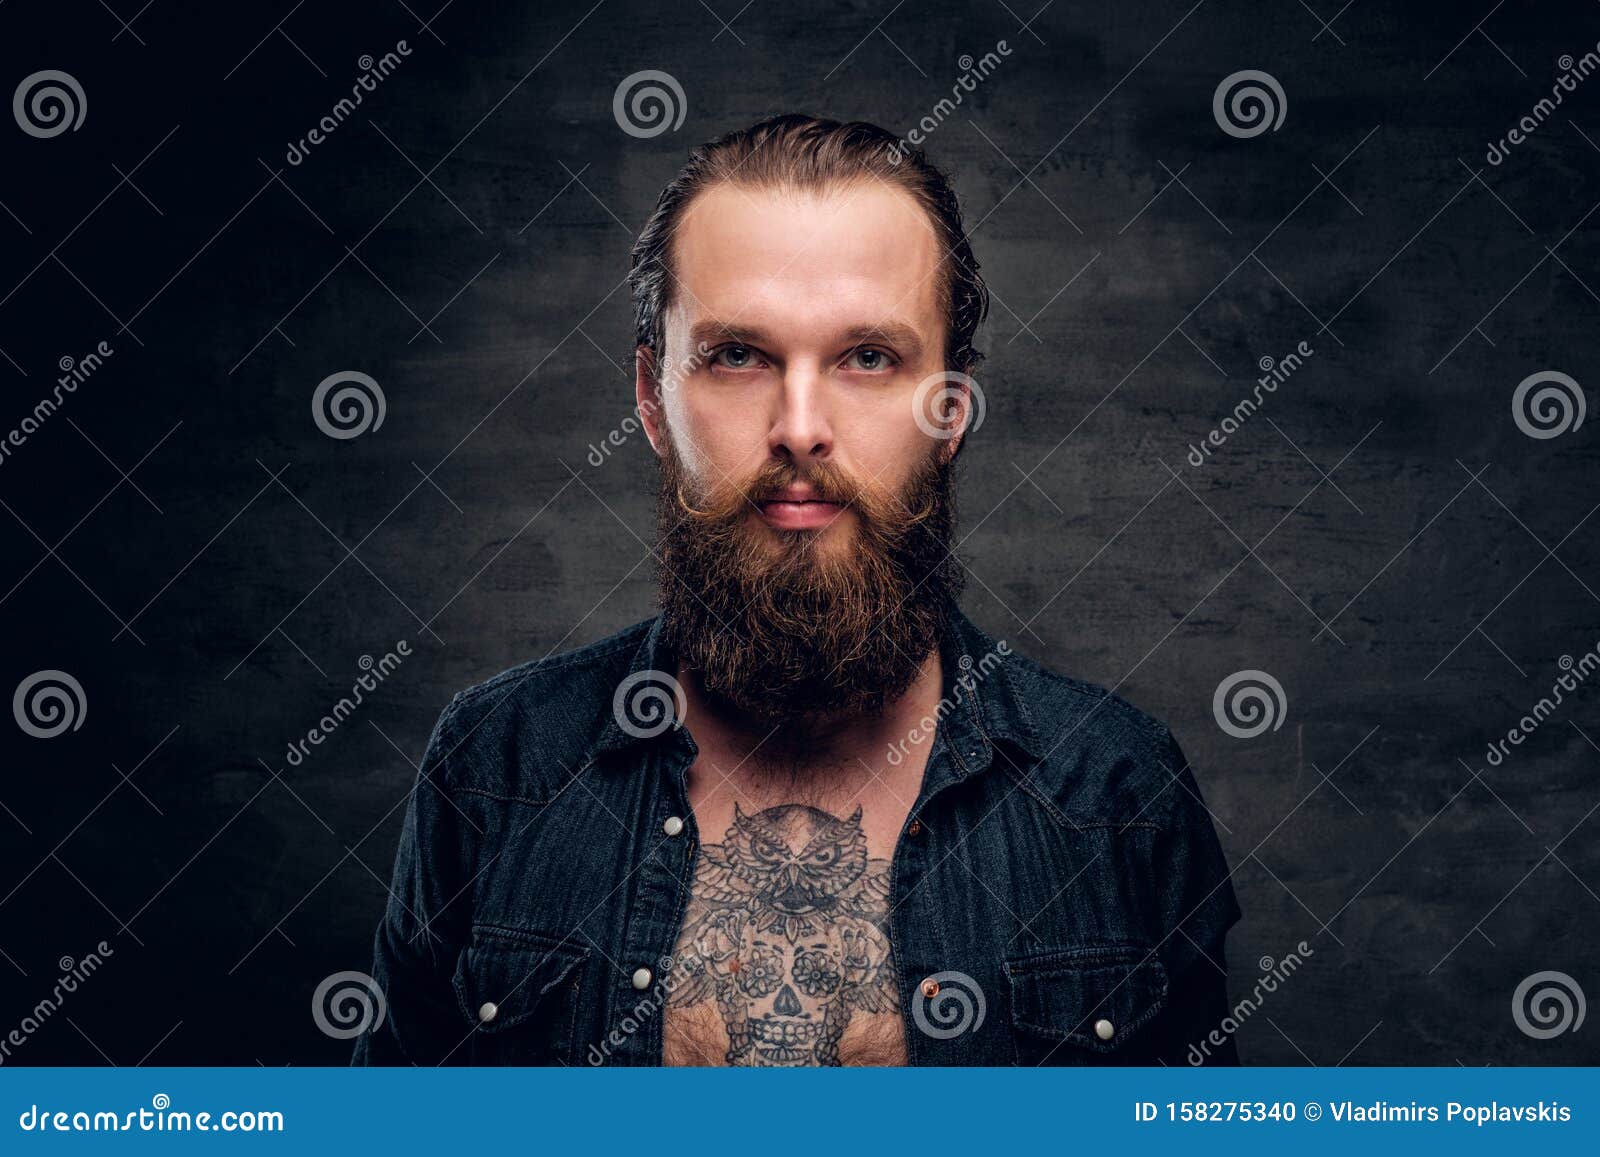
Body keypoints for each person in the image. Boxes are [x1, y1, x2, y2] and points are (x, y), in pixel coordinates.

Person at [353, 114, 1240, 1067]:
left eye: (868, 357)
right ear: (653, 402)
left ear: (951, 409)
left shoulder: (1117, 793)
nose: (800, 427)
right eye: (738, 355)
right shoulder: (497, 766)